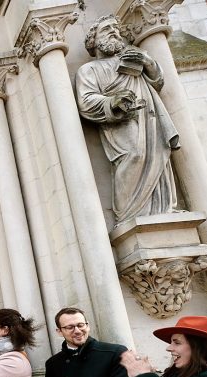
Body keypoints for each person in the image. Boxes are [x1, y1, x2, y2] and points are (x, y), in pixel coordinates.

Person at [75, 14, 179, 222]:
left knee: (158, 154)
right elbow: (86, 101)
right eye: (107, 29)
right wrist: (113, 102)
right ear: (93, 41)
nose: (114, 31)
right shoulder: (89, 70)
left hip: (149, 118)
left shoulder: (132, 58)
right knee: (135, 154)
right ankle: (128, 215)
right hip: (120, 123)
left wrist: (148, 62)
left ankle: (163, 209)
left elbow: (157, 84)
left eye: (116, 28)